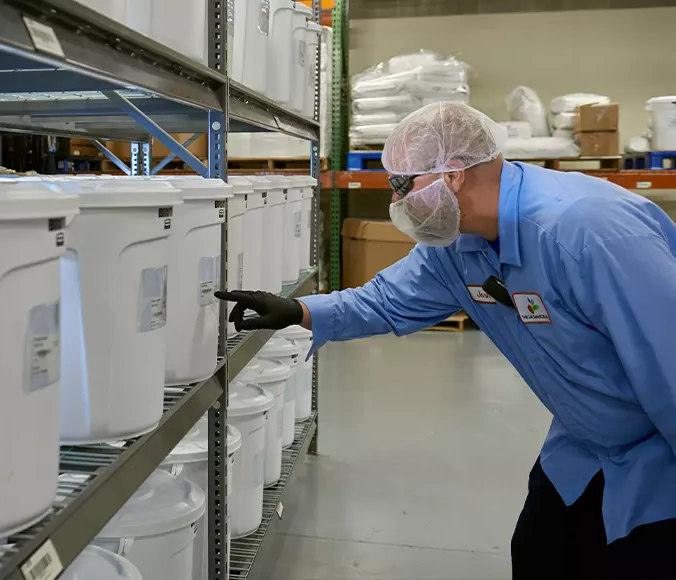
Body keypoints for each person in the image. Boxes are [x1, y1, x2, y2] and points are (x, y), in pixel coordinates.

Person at [216, 102, 676, 579]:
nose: (395, 201)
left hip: (657, 459)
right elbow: (388, 300)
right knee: (541, 552)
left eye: (401, 184)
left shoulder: (587, 232)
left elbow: (670, 365)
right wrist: (300, 311)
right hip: (582, 447)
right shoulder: (459, 243)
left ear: (451, 175)